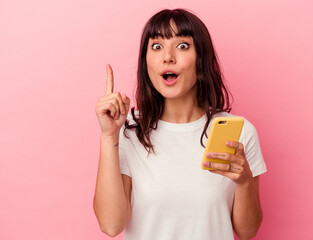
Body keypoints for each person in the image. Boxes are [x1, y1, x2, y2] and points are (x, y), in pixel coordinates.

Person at [93, 8, 267, 240]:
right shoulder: (129, 130)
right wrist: (108, 136)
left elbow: (248, 232)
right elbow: (110, 225)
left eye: (182, 46)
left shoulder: (240, 131)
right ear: (146, 62)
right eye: (156, 46)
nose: (167, 57)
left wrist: (244, 183)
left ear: (201, 58)